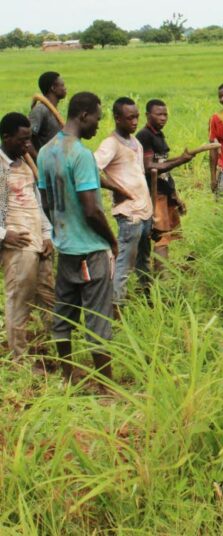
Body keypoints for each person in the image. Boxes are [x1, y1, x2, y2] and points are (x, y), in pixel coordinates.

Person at [37, 92, 119, 384]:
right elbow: (92, 209)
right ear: (83, 115)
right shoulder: (81, 155)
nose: (98, 124)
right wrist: (111, 240)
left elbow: (45, 202)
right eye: (97, 117)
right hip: (90, 251)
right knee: (97, 319)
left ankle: (68, 378)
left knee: (64, 316)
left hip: (66, 248)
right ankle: (106, 386)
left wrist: (61, 231)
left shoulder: (46, 151)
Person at [0, 113, 55, 364]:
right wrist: (3, 234)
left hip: (37, 240)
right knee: (19, 300)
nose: (27, 144)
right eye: (22, 140)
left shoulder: (25, 163)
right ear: (6, 137)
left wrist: (46, 234)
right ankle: (20, 359)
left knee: (49, 297)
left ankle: (54, 350)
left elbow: (37, 203)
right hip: (16, 243)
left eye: (29, 139)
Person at [94, 97, 153, 307]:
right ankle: (116, 305)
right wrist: (115, 188)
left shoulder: (135, 141)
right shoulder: (110, 144)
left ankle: (149, 298)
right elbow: (91, 169)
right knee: (125, 264)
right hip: (129, 215)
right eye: (130, 118)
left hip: (144, 212)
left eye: (137, 117)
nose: (135, 122)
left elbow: (139, 175)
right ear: (117, 118)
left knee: (143, 261)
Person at [136, 99, 193, 274]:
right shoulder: (144, 136)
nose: (163, 118)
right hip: (154, 193)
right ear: (147, 115)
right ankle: (161, 277)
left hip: (164, 191)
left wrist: (174, 195)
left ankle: (163, 274)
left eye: (165, 114)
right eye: (159, 114)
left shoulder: (158, 135)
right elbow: (150, 167)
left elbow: (163, 166)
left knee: (167, 235)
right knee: (160, 236)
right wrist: (181, 161)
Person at [28, 71, 67, 159]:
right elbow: (27, 140)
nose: (65, 88)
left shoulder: (54, 110)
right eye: (62, 85)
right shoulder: (40, 110)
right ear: (53, 88)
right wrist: (38, 161)